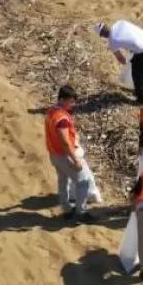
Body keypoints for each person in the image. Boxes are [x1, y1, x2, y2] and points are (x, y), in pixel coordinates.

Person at [45, 85, 94, 222]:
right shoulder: (62, 119)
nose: (73, 104)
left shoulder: (51, 111)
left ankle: (66, 209)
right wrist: (76, 160)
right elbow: (65, 142)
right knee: (83, 181)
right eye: (71, 101)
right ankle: (80, 212)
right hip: (64, 155)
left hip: (54, 154)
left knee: (63, 181)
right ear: (61, 99)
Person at [94, 20, 143, 102]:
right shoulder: (120, 23)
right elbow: (131, 36)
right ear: (107, 26)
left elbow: (121, 59)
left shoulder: (112, 42)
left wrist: (128, 63)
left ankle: (141, 99)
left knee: (137, 76)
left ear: (102, 35)